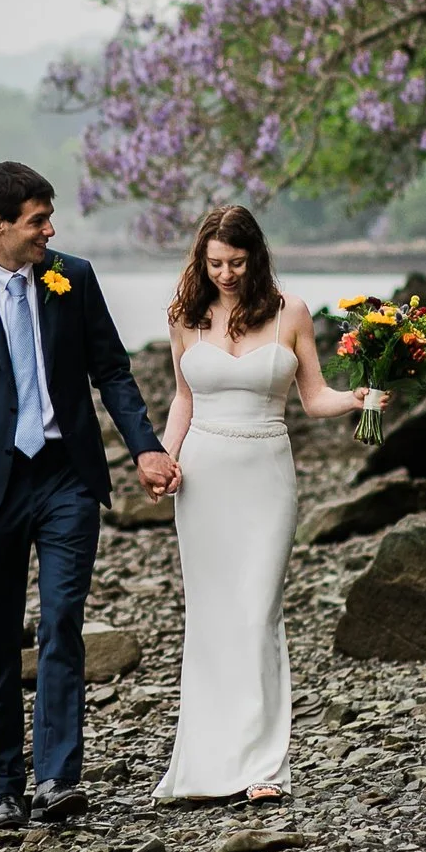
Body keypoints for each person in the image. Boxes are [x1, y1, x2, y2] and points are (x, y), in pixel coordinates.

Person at [0, 161, 179, 832]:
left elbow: (112, 371)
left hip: (66, 476)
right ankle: (1, 784)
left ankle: (58, 776)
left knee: (63, 619)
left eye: (49, 218)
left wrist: (146, 446)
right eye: (37, 220)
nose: (50, 230)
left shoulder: (73, 277)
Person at [152, 205, 372, 804]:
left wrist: (357, 397)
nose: (225, 273)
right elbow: (182, 399)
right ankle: (206, 763)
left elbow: (314, 397)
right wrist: (165, 458)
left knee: (258, 613)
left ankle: (262, 767)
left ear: (256, 258)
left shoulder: (290, 313)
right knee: (212, 618)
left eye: (237, 262)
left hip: (267, 473)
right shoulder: (186, 318)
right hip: (204, 477)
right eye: (215, 262)